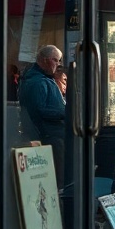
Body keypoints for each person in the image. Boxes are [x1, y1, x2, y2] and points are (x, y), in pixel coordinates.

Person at [17, 44, 67, 186]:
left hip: (52, 135)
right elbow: (39, 110)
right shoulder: (38, 82)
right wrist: (65, 113)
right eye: (56, 60)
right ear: (45, 60)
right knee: (58, 180)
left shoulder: (43, 79)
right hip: (49, 137)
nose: (58, 64)